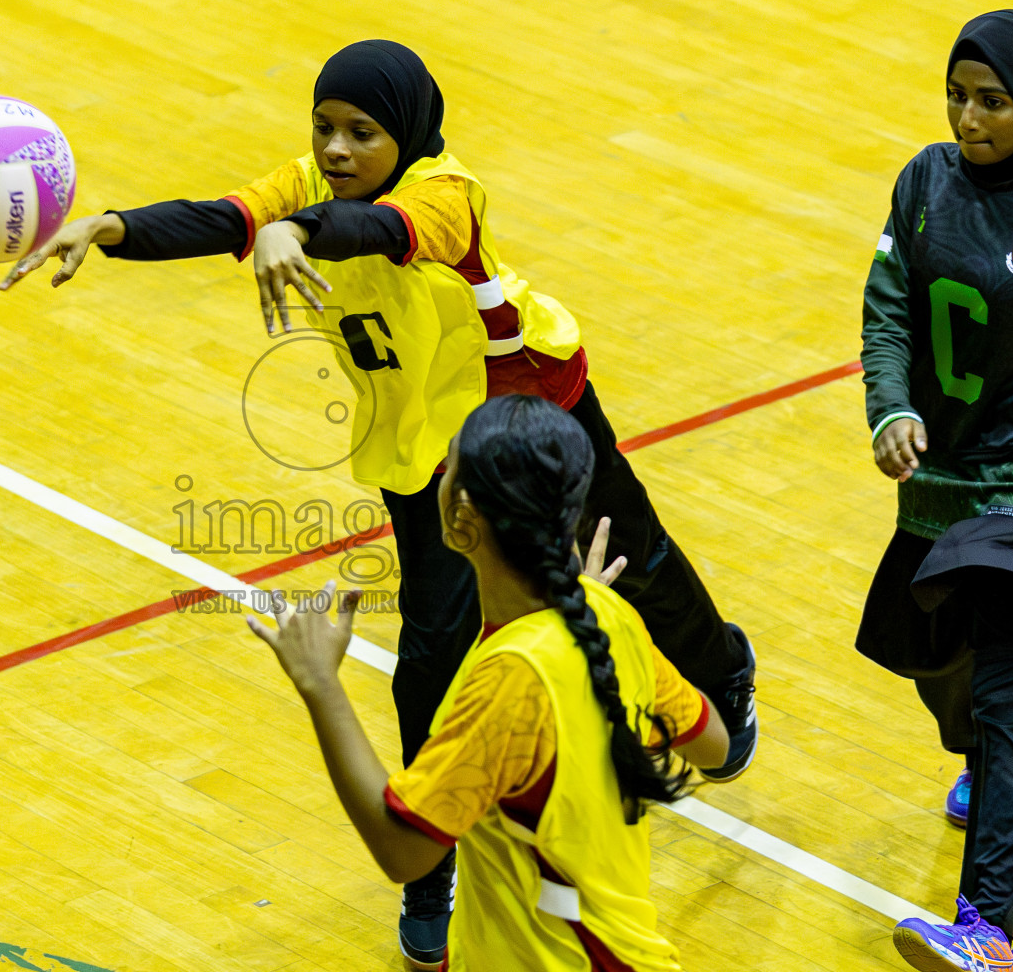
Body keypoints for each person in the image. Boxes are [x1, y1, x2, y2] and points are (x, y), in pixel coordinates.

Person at [3, 39, 757, 966]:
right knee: (432, 653)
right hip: (425, 451)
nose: (336, 149)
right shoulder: (303, 182)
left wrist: (303, 233)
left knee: (634, 566)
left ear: (407, 134)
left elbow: (381, 233)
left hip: (534, 408)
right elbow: (224, 216)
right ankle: (429, 868)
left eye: (362, 132)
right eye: (324, 128)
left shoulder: (446, 193)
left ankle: (724, 674)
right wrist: (110, 228)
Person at [247, 394, 729, 971]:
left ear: (462, 516)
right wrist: (595, 605)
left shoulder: (511, 680)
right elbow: (714, 744)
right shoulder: (605, 620)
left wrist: (320, 684)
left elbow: (403, 852)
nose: (438, 481)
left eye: (446, 469)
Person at [858, 9, 1013, 972]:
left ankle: (985, 930)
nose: (968, 117)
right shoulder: (924, 182)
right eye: (957, 95)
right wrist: (889, 409)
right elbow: (887, 310)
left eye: (992, 102)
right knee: (935, 666)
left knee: (1008, 699)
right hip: (940, 481)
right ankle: (977, 765)